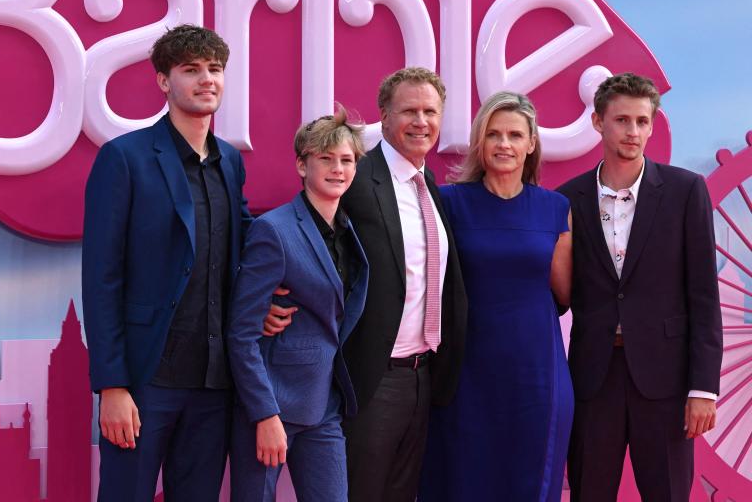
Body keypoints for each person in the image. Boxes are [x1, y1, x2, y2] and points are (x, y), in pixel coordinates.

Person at [266, 67, 468, 502]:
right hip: (370, 378)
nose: (421, 121)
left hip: (423, 375)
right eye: (408, 110)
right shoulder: (357, 177)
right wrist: (263, 296)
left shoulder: (428, 183)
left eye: (430, 111)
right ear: (384, 116)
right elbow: (298, 232)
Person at [81, 25, 251, 502]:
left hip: (215, 381)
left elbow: (246, 252)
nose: (206, 80)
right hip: (144, 379)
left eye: (214, 69)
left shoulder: (230, 163)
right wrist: (112, 385)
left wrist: (276, 299)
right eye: (191, 69)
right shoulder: (125, 158)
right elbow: (101, 278)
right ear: (163, 81)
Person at [558, 73, 722, 501]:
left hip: (666, 381)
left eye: (642, 122)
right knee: (589, 493)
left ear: (652, 124)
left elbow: (704, 295)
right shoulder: (565, 199)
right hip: (594, 378)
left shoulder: (687, 191)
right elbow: (557, 292)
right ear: (598, 122)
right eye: (622, 121)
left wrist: (703, 388)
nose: (633, 132)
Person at [418, 91, 573, 501]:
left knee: (529, 481)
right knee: (462, 480)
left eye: (515, 135)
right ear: (479, 142)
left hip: (536, 374)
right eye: (494, 134)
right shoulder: (448, 203)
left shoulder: (555, 208)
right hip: (464, 372)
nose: (504, 144)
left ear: (531, 143)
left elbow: (564, 292)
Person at [227, 108, 369, 502]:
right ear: (302, 165)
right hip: (272, 403)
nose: (337, 168)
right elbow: (242, 334)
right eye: (325, 158)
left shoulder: (349, 230)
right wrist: (264, 414)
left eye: (345, 160)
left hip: (325, 403)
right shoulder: (273, 230)